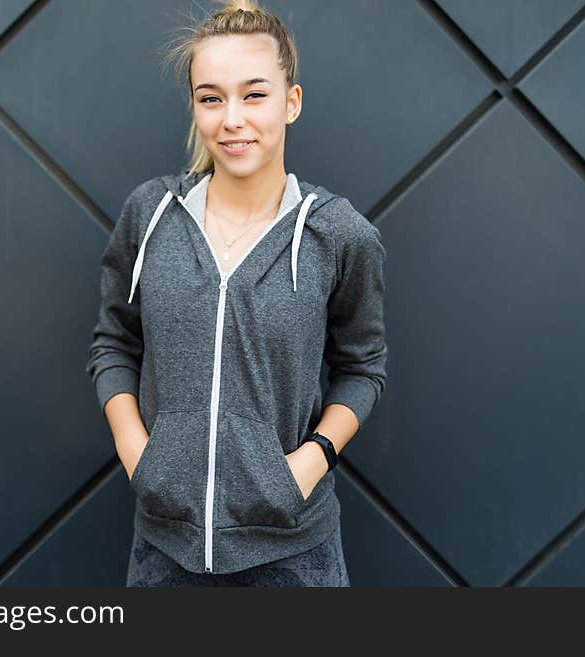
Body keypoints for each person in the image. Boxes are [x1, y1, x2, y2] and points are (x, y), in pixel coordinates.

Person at [85, 0, 387, 587]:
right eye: (211, 97)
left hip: (294, 557)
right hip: (162, 556)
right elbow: (113, 342)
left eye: (254, 94)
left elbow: (364, 367)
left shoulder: (338, 235)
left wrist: (308, 462)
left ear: (291, 102)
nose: (232, 119)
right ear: (195, 108)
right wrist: (139, 456)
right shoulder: (150, 216)